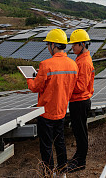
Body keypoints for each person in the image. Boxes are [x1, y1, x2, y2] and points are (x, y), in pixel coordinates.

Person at [26, 28, 78, 177]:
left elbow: (35, 87)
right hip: (61, 110)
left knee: (46, 146)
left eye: (48, 44)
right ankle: (62, 173)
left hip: (46, 112)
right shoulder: (73, 65)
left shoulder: (45, 64)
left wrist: (29, 77)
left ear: (54, 45)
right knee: (60, 143)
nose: (48, 47)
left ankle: (49, 173)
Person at [67, 29, 95, 172]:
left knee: (81, 132)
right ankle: (78, 157)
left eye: (74, 45)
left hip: (80, 101)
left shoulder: (84, 62)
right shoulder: (80, 58)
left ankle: (81, 162)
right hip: (78, 101)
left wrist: (65, 86)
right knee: (78, 131)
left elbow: (80, 86)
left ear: (83, 44)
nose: (72, 47)